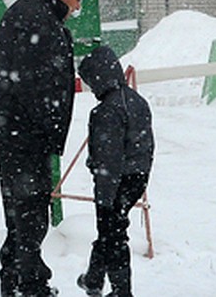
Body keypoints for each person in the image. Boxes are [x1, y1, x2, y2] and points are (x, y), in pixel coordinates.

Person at [0, 0, 97, 297]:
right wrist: (45, 132)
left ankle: (22, 278)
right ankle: (26, 283)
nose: (78, 7)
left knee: (23, 212)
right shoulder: (37, 21)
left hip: (17, 130)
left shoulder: (33, 14)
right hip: (22, 133)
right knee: (29, 213)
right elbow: (33, 86)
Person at [74, 46, 154, 297]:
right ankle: (93, 279)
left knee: (113, 234)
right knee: (112, 229)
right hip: (137, 177)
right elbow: (146, 145)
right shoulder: (137, 101)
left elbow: (108, 159)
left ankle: (122, 291)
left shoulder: (105, 111)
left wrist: (105, 197)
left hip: (114, 181)